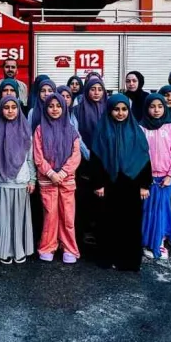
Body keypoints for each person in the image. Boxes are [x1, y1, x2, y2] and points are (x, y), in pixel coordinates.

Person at [89, 94, 152, 271]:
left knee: (130, 223)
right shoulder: (102, 130)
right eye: (116, 109)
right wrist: (98, 183)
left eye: (124, 109)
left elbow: (145, 158)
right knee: (108, 222)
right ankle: (107, 258)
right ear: (110, 110)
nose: (120, 113)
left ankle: (128, 260)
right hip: (109, 184)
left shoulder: (136, 130)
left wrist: (144, 185)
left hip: (131, 184)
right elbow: (96, 159)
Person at [33, 93, 82, 263]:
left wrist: (62, 173)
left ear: (64, 107)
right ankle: (48, 246)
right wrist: (51, 173)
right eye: (51, 106)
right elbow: (38, 156)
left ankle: (69, 248)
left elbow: (76, 155)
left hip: (66, 180)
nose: (55, 109)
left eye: (58, 106)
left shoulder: (71, 129)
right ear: (45, 108)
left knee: (68, 216)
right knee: (50, 215)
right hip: (48, 180)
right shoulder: (40, 129)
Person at [0, 97, 36, 265]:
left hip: (21, 181)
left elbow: (30, 159)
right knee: (3, 219)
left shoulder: (25, 130)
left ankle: (19, 250)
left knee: (19, 219)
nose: (10, 110)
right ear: (1, 109)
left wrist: (32, 180)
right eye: (6, 107)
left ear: (18, 109)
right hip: (1, 180)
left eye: (13, 107)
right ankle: (4, 250)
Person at [140, 93, 171, 261]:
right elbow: (139, 155)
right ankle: (147, 242)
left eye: (160, 106)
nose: (156, 110)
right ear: (146, 108)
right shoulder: (141, 128)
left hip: (165, 179)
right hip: (147, 179)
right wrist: (142, 179)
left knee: (162, 210)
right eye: (152, 106)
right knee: (148, 211)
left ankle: (160, 242)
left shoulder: (170, 127)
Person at [72, 76, 107, 245]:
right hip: (85, 160)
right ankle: (85, 232)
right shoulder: (78, 109)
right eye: (93, 89)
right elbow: (76, 133)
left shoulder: (110, 108)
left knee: (102, 196)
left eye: (99, 89)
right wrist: (88, 153)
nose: (96, 93)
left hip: (105, 160)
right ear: (87, 90)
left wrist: (101, 153)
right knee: (84, 197)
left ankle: (99, 230)